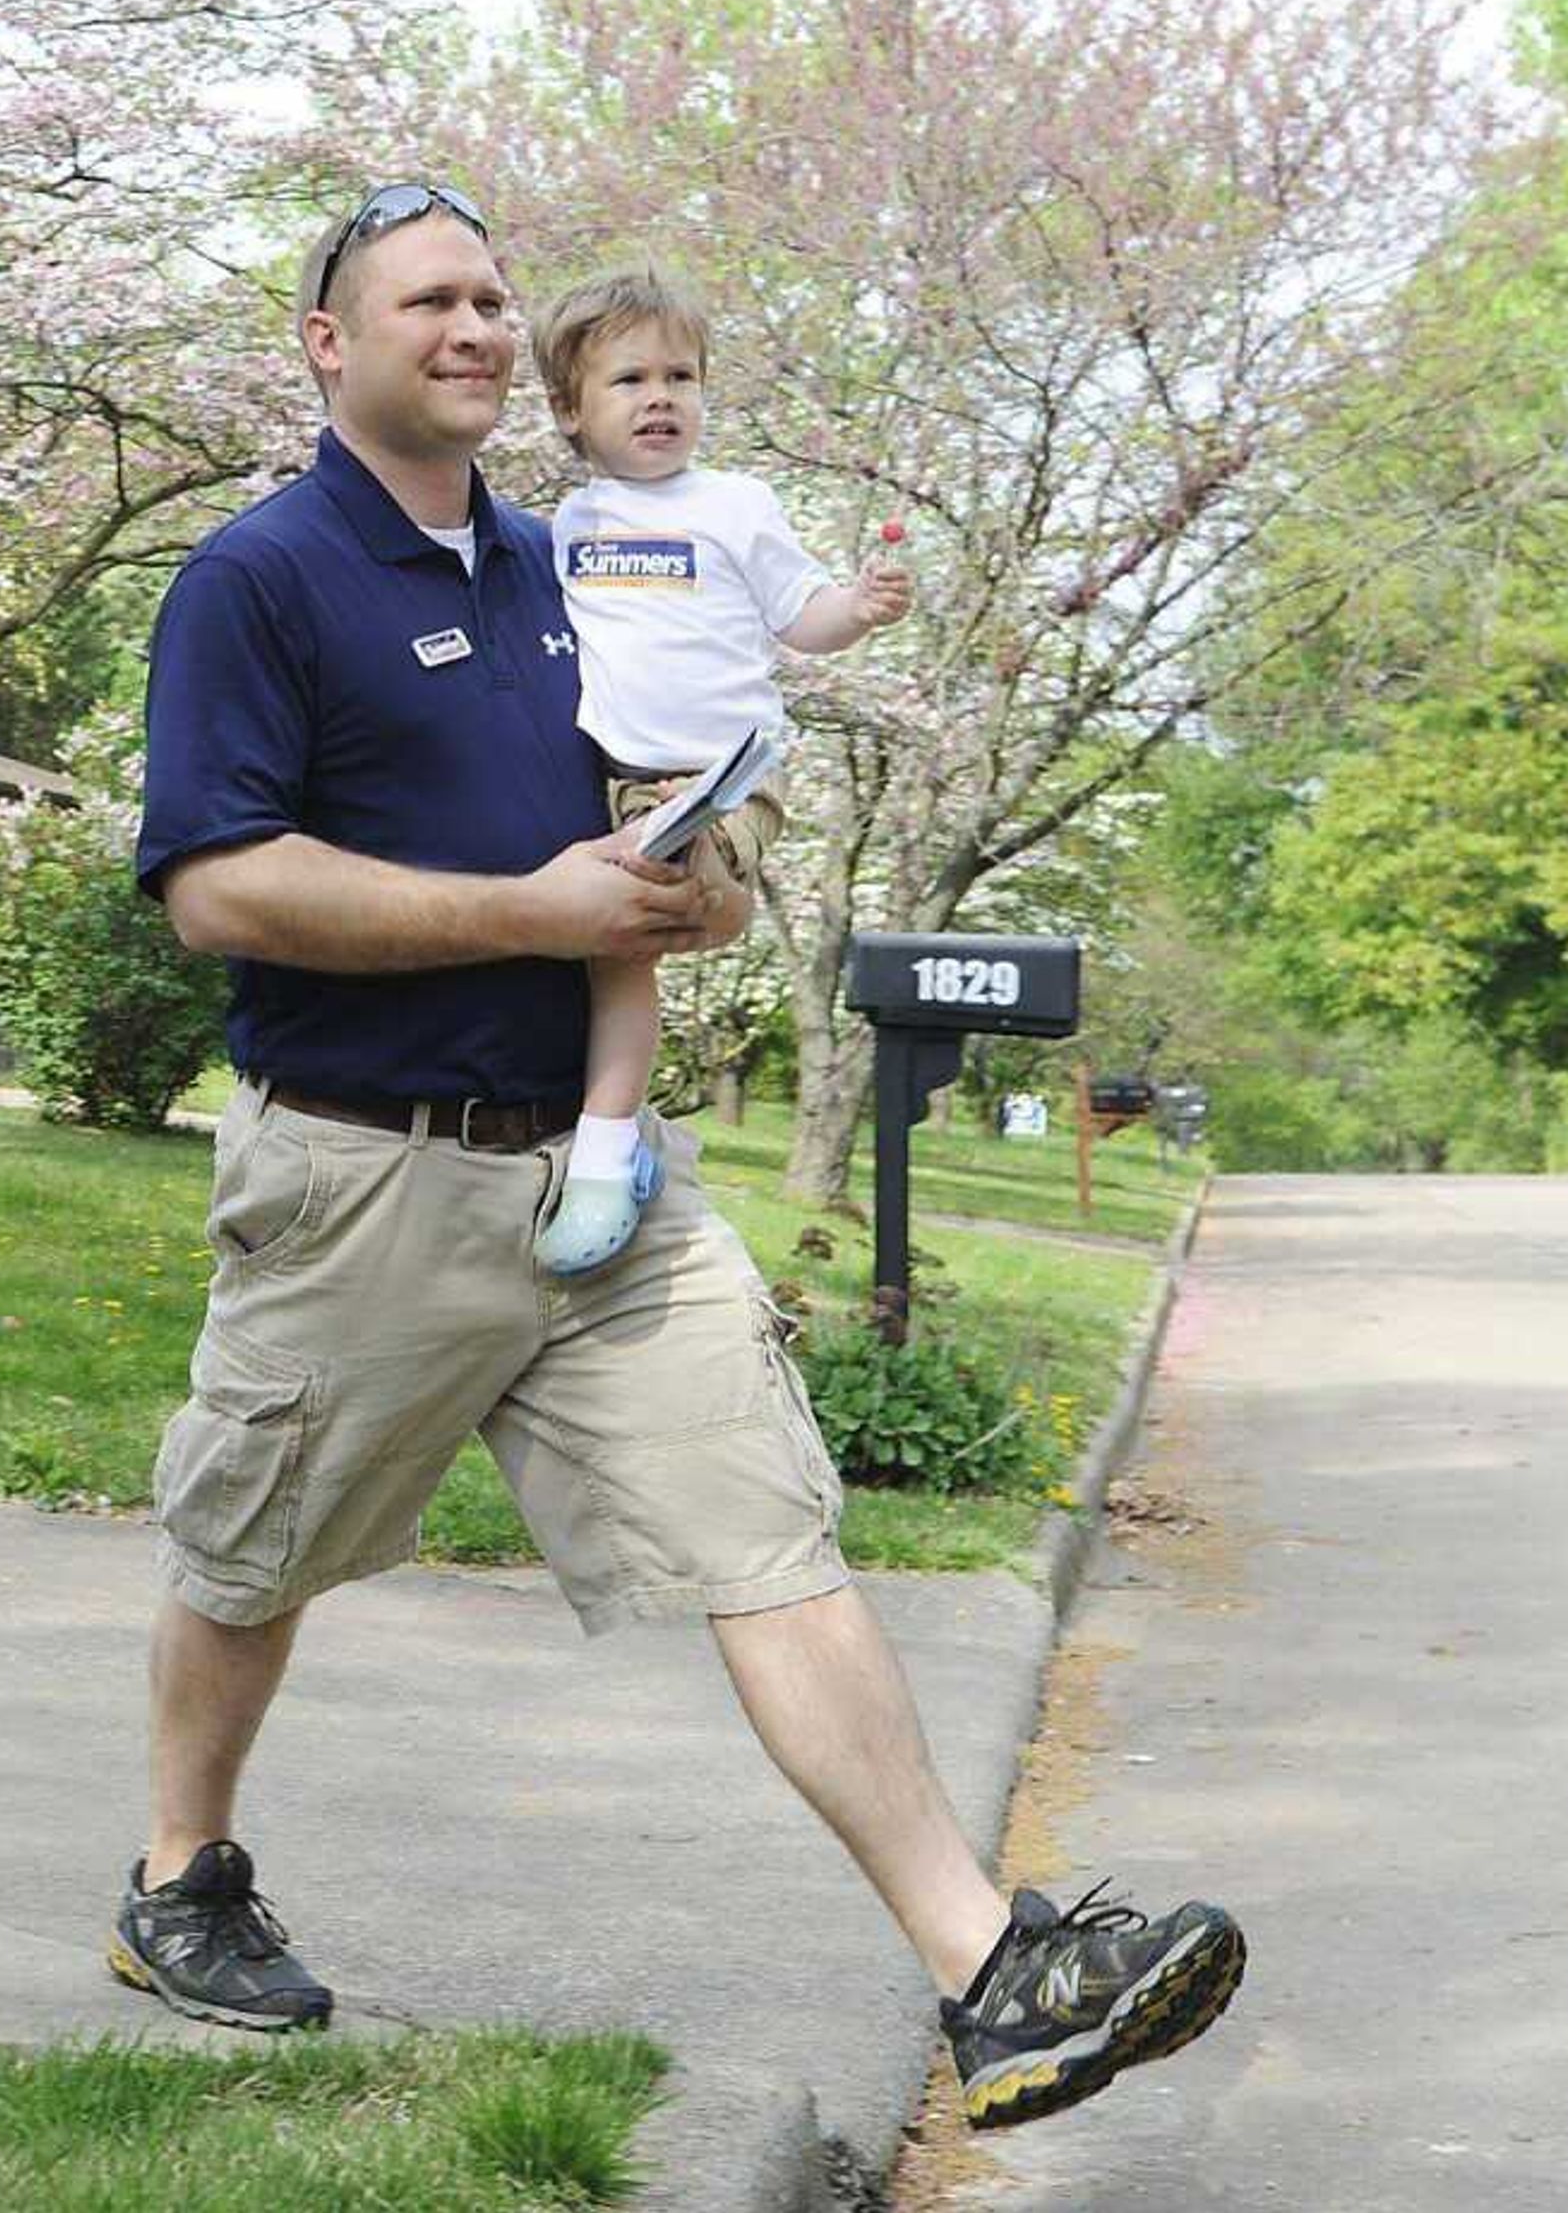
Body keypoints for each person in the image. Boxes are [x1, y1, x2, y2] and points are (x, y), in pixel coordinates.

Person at [111, 180, 1242, 2133]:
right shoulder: (261, 579)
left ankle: (992, 1969)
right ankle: (175, 1876)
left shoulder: (581, 564)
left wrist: (692, 889)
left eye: (490, 297)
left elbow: (654, 807)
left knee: (768, 1537)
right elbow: (220, 888)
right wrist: (530, 915)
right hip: (370, 1171)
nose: (471, 325)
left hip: (604, 1180)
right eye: (426, 300)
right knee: (250, 1550)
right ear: (331, 345)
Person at [524, 265, 915, 1274]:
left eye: (681, 376)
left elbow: (802, 618)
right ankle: (615, 1140)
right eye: (629, 380)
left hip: (729, 775)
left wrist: (859, 608)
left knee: (656, 887)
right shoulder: (569, 530)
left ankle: (605, 1157)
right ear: (571, 409)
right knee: (613, 952)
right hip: (616, 772)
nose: (661, 398)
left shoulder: (736, 504)